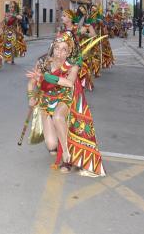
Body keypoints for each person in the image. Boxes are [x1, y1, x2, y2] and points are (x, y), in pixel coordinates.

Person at [26, 30, 105, 176]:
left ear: (69, 52)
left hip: (65, 98)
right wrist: (31, 96)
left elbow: (69, 83)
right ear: (52, 47)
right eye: (57, 48)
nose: (59, 53)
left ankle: (67, 155)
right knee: (51, 144)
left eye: (64, 50)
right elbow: (31, 83)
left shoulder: (72, 65)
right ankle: (61, 139)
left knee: (58, 117)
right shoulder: (43, 62)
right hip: (46, 102)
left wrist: (47, 77)